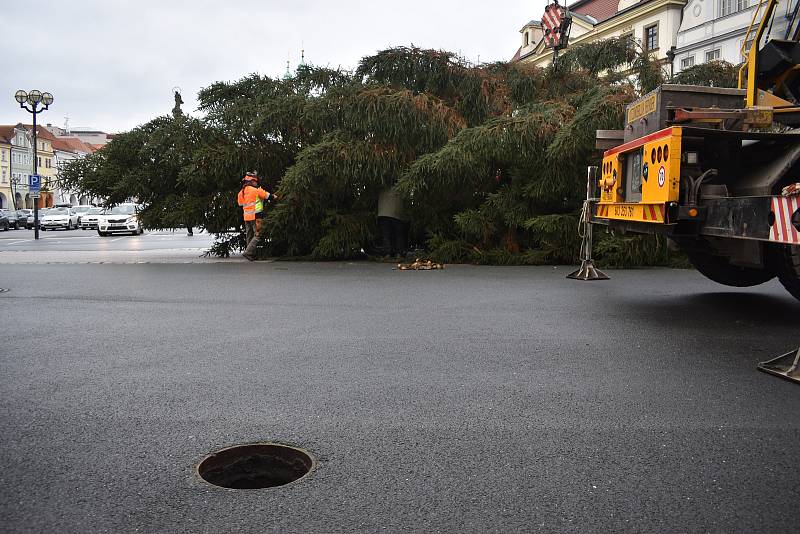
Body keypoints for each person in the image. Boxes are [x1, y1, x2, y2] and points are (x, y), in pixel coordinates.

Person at [237, 171, 276, 260]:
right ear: (251, 181)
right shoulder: (256, 190)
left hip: (246, 217)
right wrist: (274, 196)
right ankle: (248, 252)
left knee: (249, 235)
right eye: (255, 181)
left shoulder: (241, 192)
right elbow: (268, 196)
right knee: (258, 234)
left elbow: (240, 203)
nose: (256, 183)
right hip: (256, 216)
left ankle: (251, 254)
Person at [377, 185, 408, 258]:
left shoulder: (382, 187)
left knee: (386, 235)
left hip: (383, 214)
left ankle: (387, 253)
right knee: (398, 235)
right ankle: (399, 253)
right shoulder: (400, 188)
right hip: (396, 215)